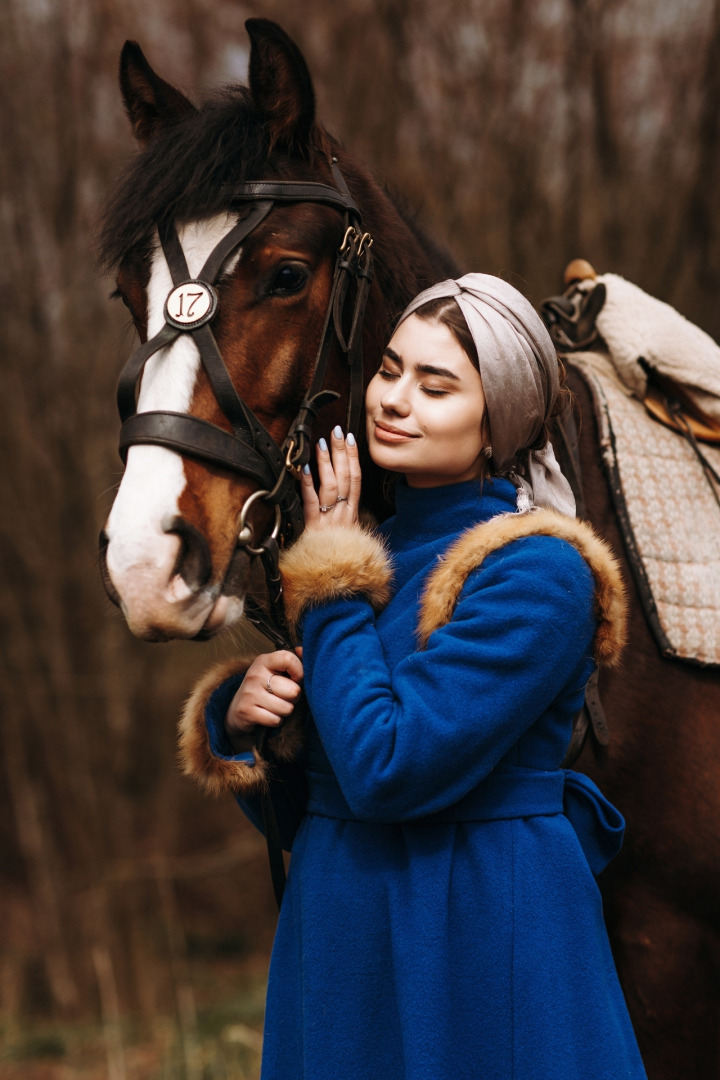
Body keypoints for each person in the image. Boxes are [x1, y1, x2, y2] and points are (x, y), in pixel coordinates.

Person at [180, 274, 647, 1080]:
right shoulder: (362, 554)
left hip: (478, 941)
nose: (395, 400)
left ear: (500, 419)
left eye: (437, 387)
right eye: (390, 370)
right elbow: (315, 805)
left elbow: (389, 768)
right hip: (340, 941)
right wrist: (250, 721)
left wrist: (327, 578)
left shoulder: (539, 570)